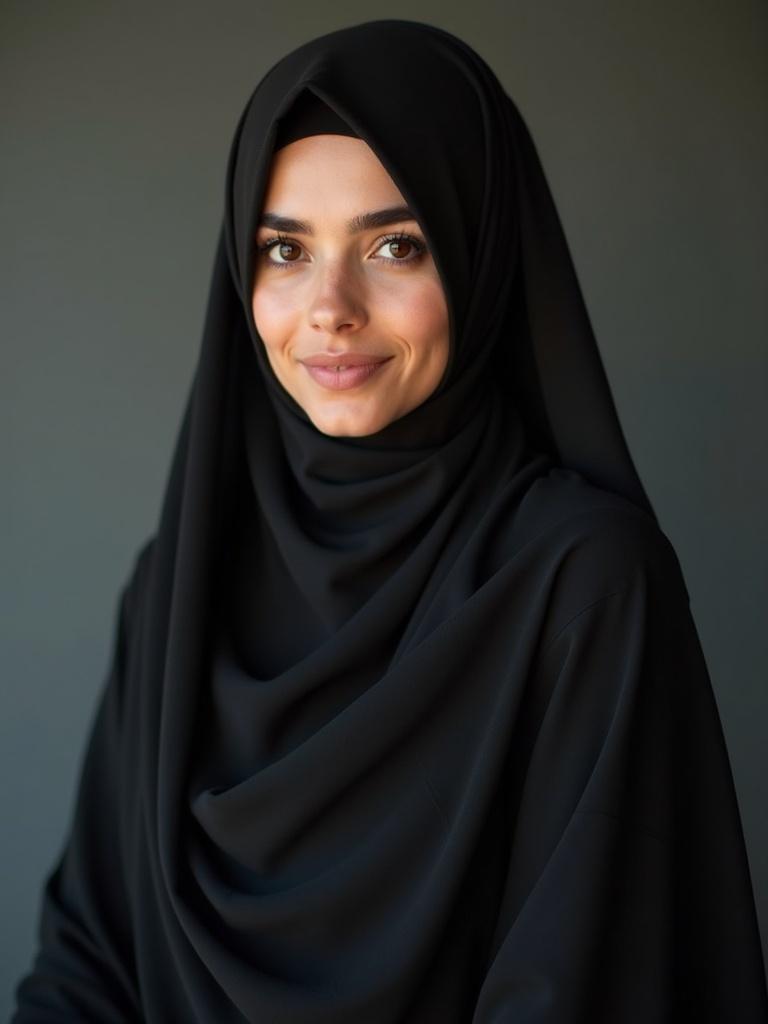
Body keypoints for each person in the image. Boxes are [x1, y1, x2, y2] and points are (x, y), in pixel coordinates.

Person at [13, 18, 768, 1023]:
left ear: (479, 256)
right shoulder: (179, 585)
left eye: (394, 244)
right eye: (284, 248)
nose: (331, 305)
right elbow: (84, 967)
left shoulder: (581, 581)